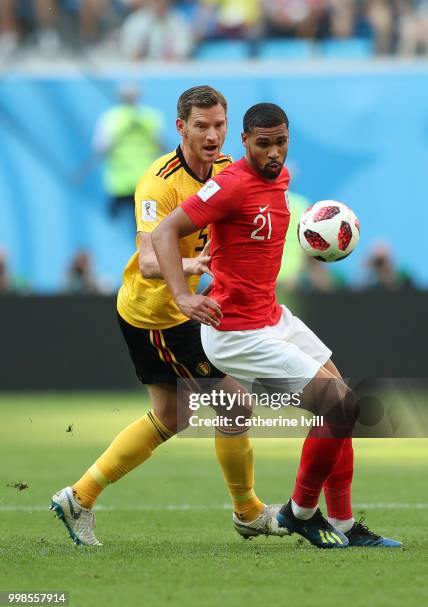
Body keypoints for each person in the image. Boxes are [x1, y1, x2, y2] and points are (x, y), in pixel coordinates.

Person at [152, 102, 402, 549]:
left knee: (342, 401)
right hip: (236, 333)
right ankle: (299, 513)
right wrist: (183, 295)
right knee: (340, 406)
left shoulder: (281, 177)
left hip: (271, 316)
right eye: (263, 144)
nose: (273, 154)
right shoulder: (228, 186)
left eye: (280, 143)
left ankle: (344, 524)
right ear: (244, 142)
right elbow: (164, 232)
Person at [50, 86, 289, 546]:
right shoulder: (159, 183)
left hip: (183, 307)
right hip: (157, 312)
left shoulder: (227, 171)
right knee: (234, 403)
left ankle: (78, 497)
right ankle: (249, 512)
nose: (212, 134)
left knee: (171, 415)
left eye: (219, 125)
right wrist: (193, 267)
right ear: (181, 127)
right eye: (201, 126)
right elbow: (149, 258)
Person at [93, 83, 165, 228]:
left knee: (140, 224)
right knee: (145, 225)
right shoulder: (150, 117)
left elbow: (101, 147)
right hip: (136, 183)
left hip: (127, 183)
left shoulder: (113, 118)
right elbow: (160, 148)